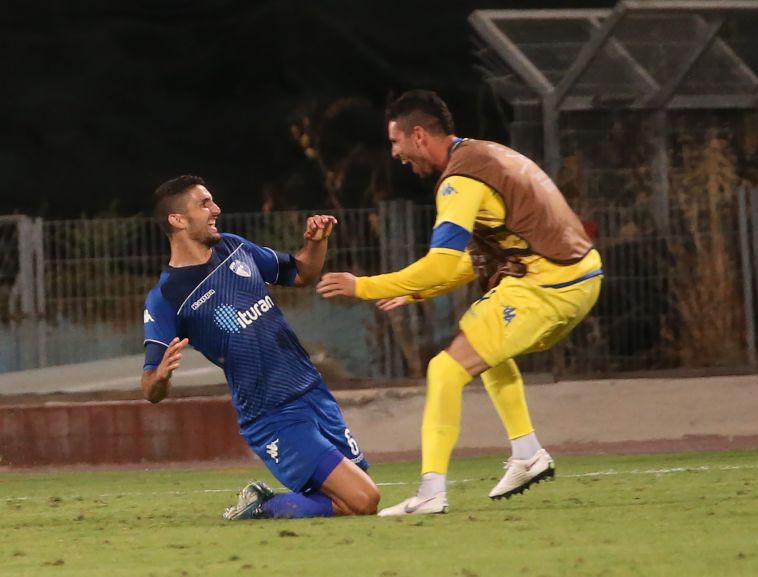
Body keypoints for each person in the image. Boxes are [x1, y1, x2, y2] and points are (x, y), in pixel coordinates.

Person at [316, 90, 603, 516]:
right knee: (483, 344)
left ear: (418, 135)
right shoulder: (486, 154)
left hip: (550, 284)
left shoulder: (460, 180)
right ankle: (527, 452)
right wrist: (417, 291)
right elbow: (469, 263)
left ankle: (432, 491)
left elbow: (441, 263)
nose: (394, 153)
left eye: (395, 141)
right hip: (578, 276)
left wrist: (363, 286)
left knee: (444, 369)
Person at [142, 175, 380, 520]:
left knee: (352, 495)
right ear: (177, 219)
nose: (216, 209)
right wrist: (162, 376)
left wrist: (316, 243)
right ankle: (264, 506)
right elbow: (149, 387)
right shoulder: (166, 296)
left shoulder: (234, 248)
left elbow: (300, 274)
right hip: (272, 414)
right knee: (364, 499)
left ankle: (270, 505)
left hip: (312, 391)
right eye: (204, 203)